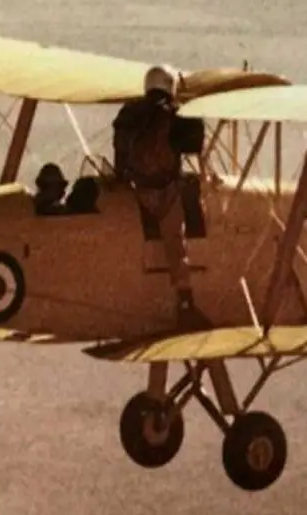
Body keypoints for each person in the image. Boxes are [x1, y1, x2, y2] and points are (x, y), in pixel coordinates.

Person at [112, 64, 211, 330]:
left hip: (136, 194)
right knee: (176, 244)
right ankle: (185, 304)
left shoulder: (129, 114)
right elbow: (194, 144)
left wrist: (120, 177)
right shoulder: (172, 116)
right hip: (164, 194)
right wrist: (191, 112)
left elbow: (120, 150)